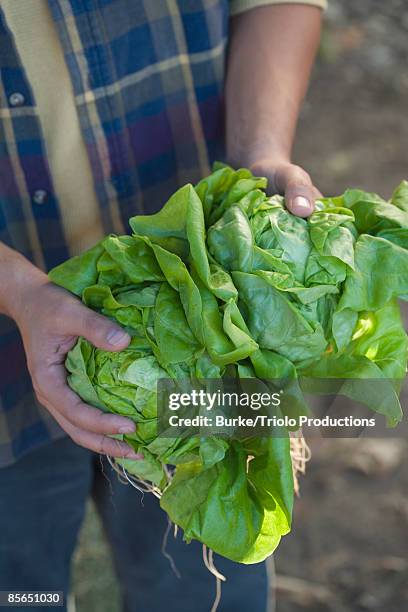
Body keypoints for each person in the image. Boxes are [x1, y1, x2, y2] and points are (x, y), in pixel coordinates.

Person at [0, 1, 326, 610]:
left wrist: (259, 154)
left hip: (202, 350)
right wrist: (15, 289)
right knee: (18, 587)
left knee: (198, 587)